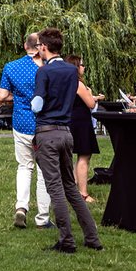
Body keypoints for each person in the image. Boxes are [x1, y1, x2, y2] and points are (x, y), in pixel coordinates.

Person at [30, 27, 103, 253]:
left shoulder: (44, 72)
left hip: (47, 133)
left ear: (43, 47)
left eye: (39, 47)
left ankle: (67, 241)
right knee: (70, 187)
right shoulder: (72, 71)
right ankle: (92, 238)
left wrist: (32, 103)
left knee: (55, 189)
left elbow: (38, 104)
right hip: (66, 132)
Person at [0, 33, 52, 229]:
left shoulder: (11, 67)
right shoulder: (46, 68)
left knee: (24, 166)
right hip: (44, 124)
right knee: (44, 171)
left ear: (24, 46)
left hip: (21, 122)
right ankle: (43, 217)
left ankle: (21, 207)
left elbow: (2, 95)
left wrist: (19, 98)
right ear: (39, 47)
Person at [63, 55, 102, 204]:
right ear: (76, 67)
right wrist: (90, 94)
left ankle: (71, 189)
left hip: (70, 121)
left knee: (72, 157)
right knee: (84, 156)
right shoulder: (78, 84)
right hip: (81, 123)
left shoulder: (65, 83)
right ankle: (83, 193)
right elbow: (91, 104)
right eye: (82, 65)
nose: (84, 67)